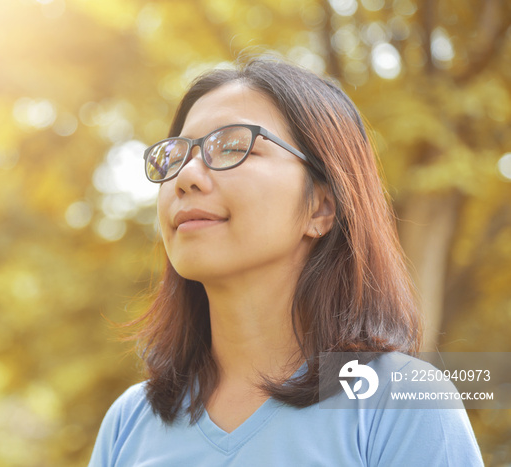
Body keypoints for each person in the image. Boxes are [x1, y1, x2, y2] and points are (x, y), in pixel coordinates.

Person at [89, 57, 483, 466]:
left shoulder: (399, 403)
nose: (186, 176)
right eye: (176, 155)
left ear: (321, 207)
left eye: (233, 147)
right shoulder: (129, 423)